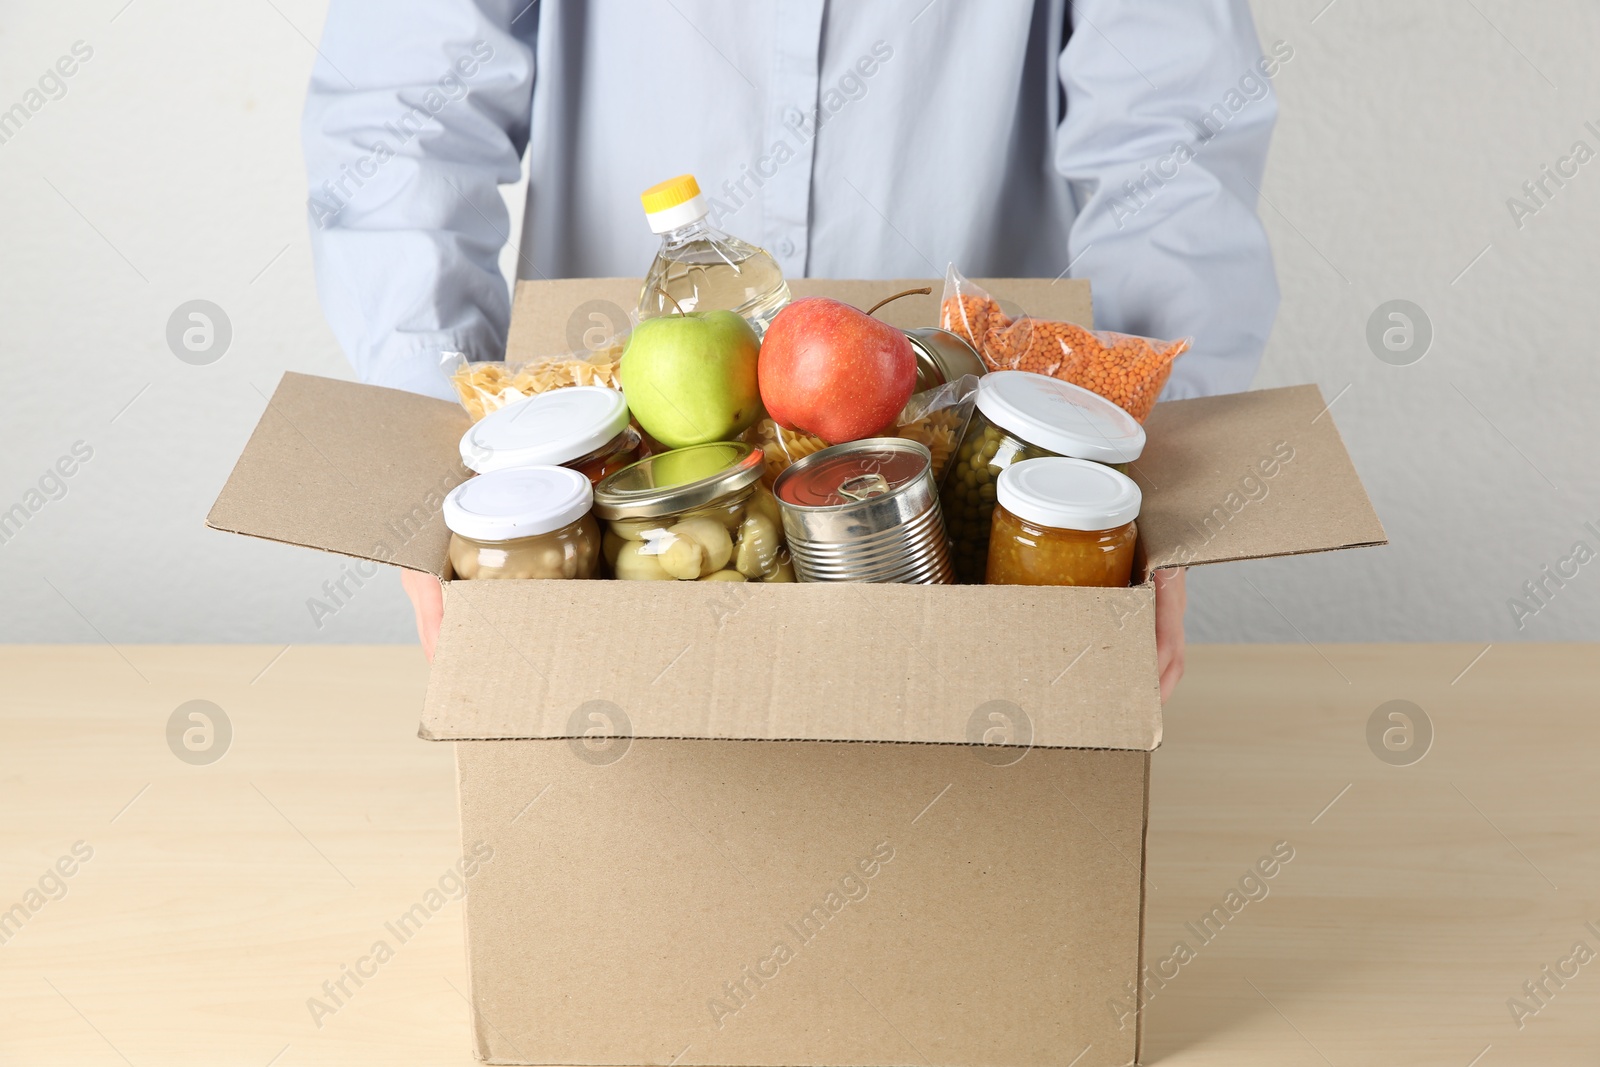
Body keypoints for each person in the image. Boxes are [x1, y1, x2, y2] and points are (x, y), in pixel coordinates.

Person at [302, 0, 1283, 703]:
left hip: (980, 456)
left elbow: (1171, 130)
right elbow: (408, 101)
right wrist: (452, 457)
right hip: (608, 455)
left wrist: (1139, 461)